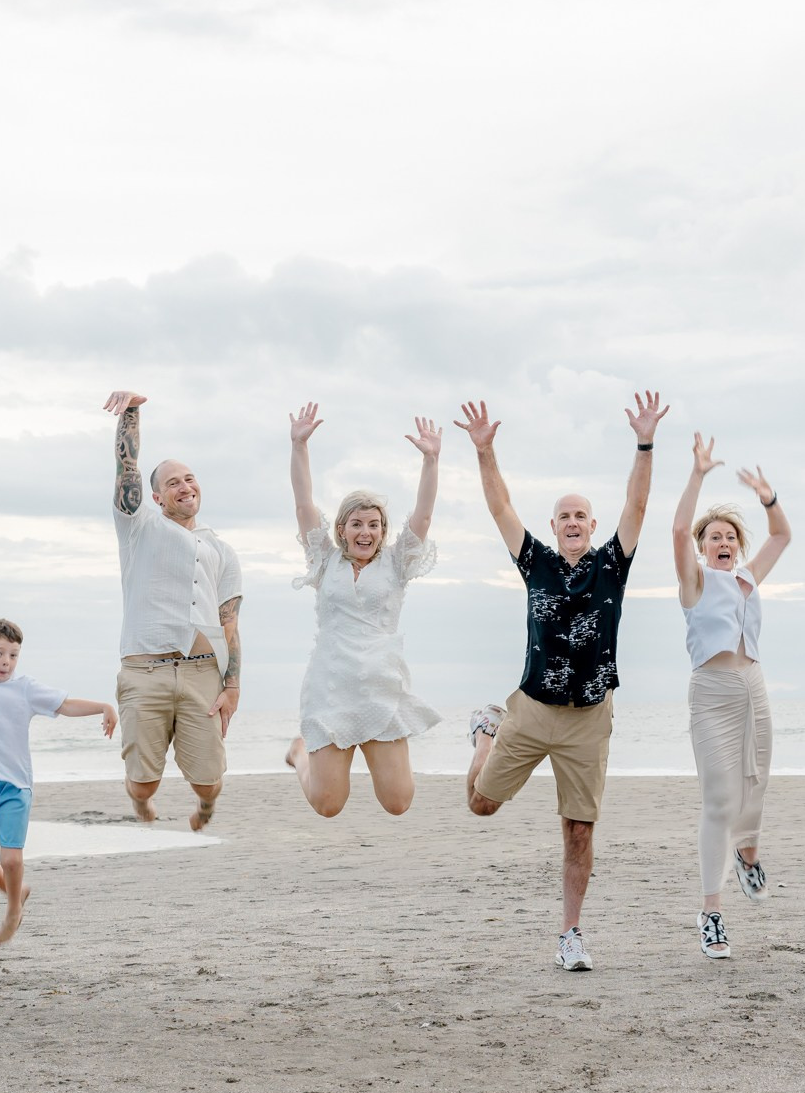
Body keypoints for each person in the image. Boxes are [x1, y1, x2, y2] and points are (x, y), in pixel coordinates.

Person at [458, 392, 667, 972]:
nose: (573, 522)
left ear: (593, 526)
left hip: (589, 718)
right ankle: (484, 733)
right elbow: (500, 506)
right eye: (564, 516)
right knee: (480, 806)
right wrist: (485, 450)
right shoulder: (537, 564)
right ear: (554, 527)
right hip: (530, 710)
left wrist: (644, 443)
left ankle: (570, 934)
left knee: (578, 830)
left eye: (582, 516)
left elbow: (639, 503)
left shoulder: (612, 565)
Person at [281, 403, 444, 817]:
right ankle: (300, 753)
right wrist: (299, 445)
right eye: (356, 523)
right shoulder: (324, 560)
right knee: (328, 805)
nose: (365, 531)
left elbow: (423, 515)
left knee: (397, 802)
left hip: (379, 687)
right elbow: (303, 506)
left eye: (374, 525)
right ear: (341, 530)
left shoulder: (396, 563)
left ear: (383, 532)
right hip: (330, 685)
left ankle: (330, 751)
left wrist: (431, 460)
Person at [0, 566, 116, 946]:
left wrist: (103, 705)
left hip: (15, 785)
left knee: (12, 859)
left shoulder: (24, 689)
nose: (6, 661)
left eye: (13, 655)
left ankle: (13, 909)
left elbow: (65, 704)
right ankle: (16, 892)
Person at [671, 432, 792, 959]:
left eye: (729, 537)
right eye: (713, 536)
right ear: (703, 547)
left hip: (754, 687)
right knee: (719, 801)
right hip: (713, 692)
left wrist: (767, 497)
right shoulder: (694, 582)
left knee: (755, 785)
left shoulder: (747, 578)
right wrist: (698, 473)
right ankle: (712, 913)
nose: (722, 542)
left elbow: (782, 535)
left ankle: (748, 857)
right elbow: (677, 527)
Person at [103, 391, 243, 831]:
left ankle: (204, 807)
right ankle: (141, 802)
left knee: (209, 780)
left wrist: (232, 686)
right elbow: (127, 468)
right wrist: (131, 414)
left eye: (190, 478)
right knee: (144, 783)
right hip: (145, 671)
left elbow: (230, 623)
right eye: (174, 482)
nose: (186, 486)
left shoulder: (221, 549)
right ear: (157, 497)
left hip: (203, 672)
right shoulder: (139, 526)